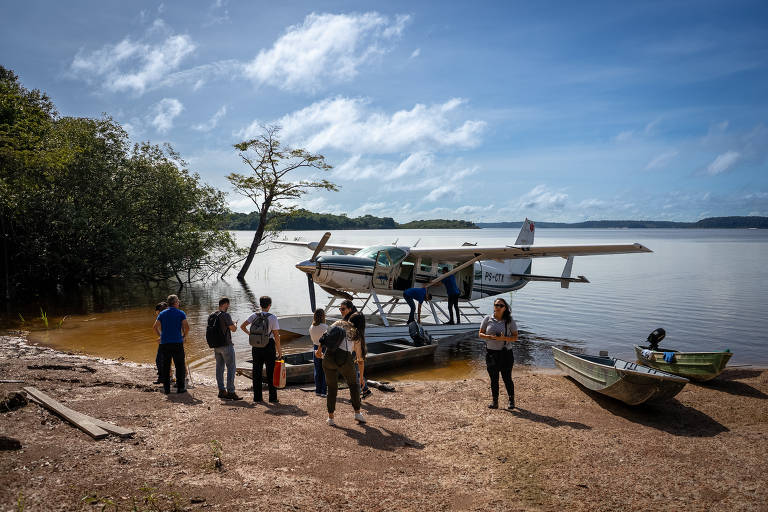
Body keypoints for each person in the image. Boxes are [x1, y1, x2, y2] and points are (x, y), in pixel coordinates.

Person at [316, 318, 365, 426]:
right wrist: (361, 378)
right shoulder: (356, 333)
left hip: (328, 356)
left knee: (331, 387)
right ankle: (357, 413)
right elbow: (360, 359)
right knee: (353, 385)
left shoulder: (338, 323)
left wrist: (319, 350)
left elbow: (325, 335)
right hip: (344, 359)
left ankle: (331, 418)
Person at [478, 298, 519, 409]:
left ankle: (511, 400)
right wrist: (489, 337)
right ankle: (495, 402)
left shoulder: (509, 321)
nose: (498, 307)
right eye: (496, 305)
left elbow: (515, 337)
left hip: (505, 354)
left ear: (505, 308)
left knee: (507, 378)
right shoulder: (487, 318)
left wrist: (503, 338)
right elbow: (480, 334)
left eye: (500, 305)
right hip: (491, 354)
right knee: (494, 379)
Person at [240, 296, 282, 403]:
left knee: (257, 372)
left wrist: (252, 335)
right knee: (270, 372)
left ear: (260, 305)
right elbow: (276, 336)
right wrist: (279, 351)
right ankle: (272, 398)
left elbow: (242, 326)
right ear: (269, 305)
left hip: (256, 346)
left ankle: (257, 398)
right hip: (269, 345)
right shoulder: (272, 317)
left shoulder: (254, 315)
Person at [152, 294, 190, 394]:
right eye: (178, 301)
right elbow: (187, 327)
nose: (179, 302)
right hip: (177, 342)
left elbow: (155, 327)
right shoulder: (181, 313)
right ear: (175, 302)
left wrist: (161, 336)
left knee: (166, 365)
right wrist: (184, 336)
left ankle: (167, 389)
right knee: (179, 365)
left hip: (165, 343)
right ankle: (181, 388)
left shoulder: (162, 313)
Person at [340, 300, 372, 399]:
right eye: (340, 309)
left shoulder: (354, 318)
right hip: (351, 347)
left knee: (355, 372)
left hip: (353, 347)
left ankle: (357, 395)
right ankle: (365, 390)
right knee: (355, 372)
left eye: (343, 309)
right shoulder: (350, 317)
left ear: (349, 309)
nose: (341, 311)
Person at [212, 297, 240, 400]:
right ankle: (231, 392)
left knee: (219, 368)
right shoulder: (226, 315)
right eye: (228, 305)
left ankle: (221, 391)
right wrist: (235, 324)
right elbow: (233, 329)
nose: (228, 307)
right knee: (231, 368)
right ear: (225, 304)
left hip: (216, 346)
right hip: (226, 345)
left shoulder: (212, 315)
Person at [309, 308, 328, 397]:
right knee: (325, 370)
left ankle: (318, 390)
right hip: (324, 348)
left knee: (317, 370)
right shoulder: (325, 327)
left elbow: (312, 339)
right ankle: (324, 391)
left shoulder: (311, 327)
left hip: (315, 347)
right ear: (323, 316)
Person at [153, 301, 167, 384]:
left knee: (159, 360)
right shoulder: (169, 315)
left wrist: (161, 337)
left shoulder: (161, 316)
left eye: (157, 311)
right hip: (174, 340)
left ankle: (163, 377)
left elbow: (155, 327)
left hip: (165, 341)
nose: (156, 313)